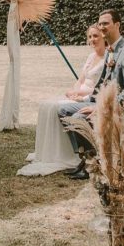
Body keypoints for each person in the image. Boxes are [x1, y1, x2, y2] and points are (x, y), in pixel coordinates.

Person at [58, 9, 124, 180]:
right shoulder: (110, 51)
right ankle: (85, 158)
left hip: (119, 108)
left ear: (117, 25)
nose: (102, 27)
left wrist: (101, 108)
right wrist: (86, 100)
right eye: (100, 24)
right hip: (100, 102)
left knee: (78, 117)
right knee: (63, 111)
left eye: (106, 23)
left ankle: (94, 164)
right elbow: (102, 84)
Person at [17, 25, 107, 176]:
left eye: (96, 36)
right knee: (47, 106)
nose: (92, 39)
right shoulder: (91, 57)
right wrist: (73, 91)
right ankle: (61, 151)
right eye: (90, 36)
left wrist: (80, 95)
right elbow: (80, 80)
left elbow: (102, 88)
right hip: (79, 94)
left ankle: (81, 154)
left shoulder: (107, 59)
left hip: (91, 96)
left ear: (104, 37)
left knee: (59, 109)